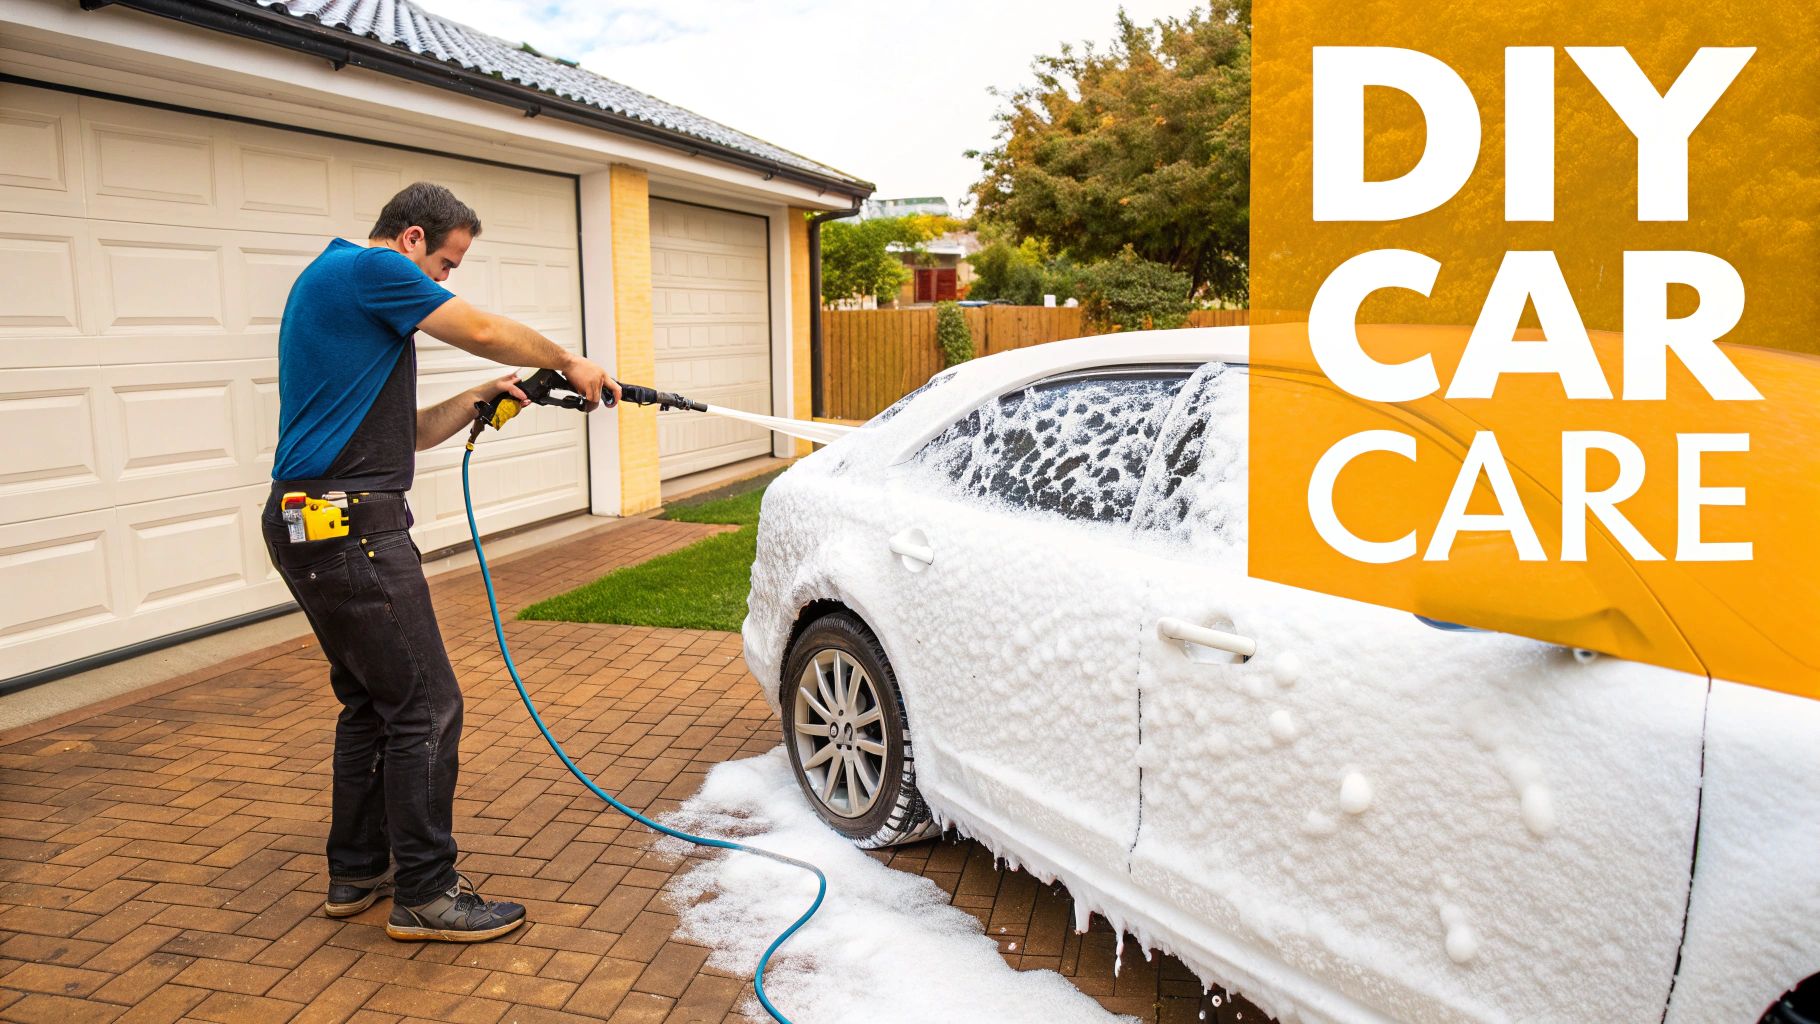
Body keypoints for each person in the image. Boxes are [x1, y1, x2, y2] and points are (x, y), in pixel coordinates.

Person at [262, 181, 619, 943]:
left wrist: (480, 398)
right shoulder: (371, 269)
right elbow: (483, 328)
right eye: (448, 264)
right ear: (413, 238)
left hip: (309, 520)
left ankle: (357, 870)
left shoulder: (337, 290)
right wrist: (569, 359)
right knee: (426, 705)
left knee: (374, 702)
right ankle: (426, 893)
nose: (446, 282)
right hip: (351, 527)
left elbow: (409, 434)